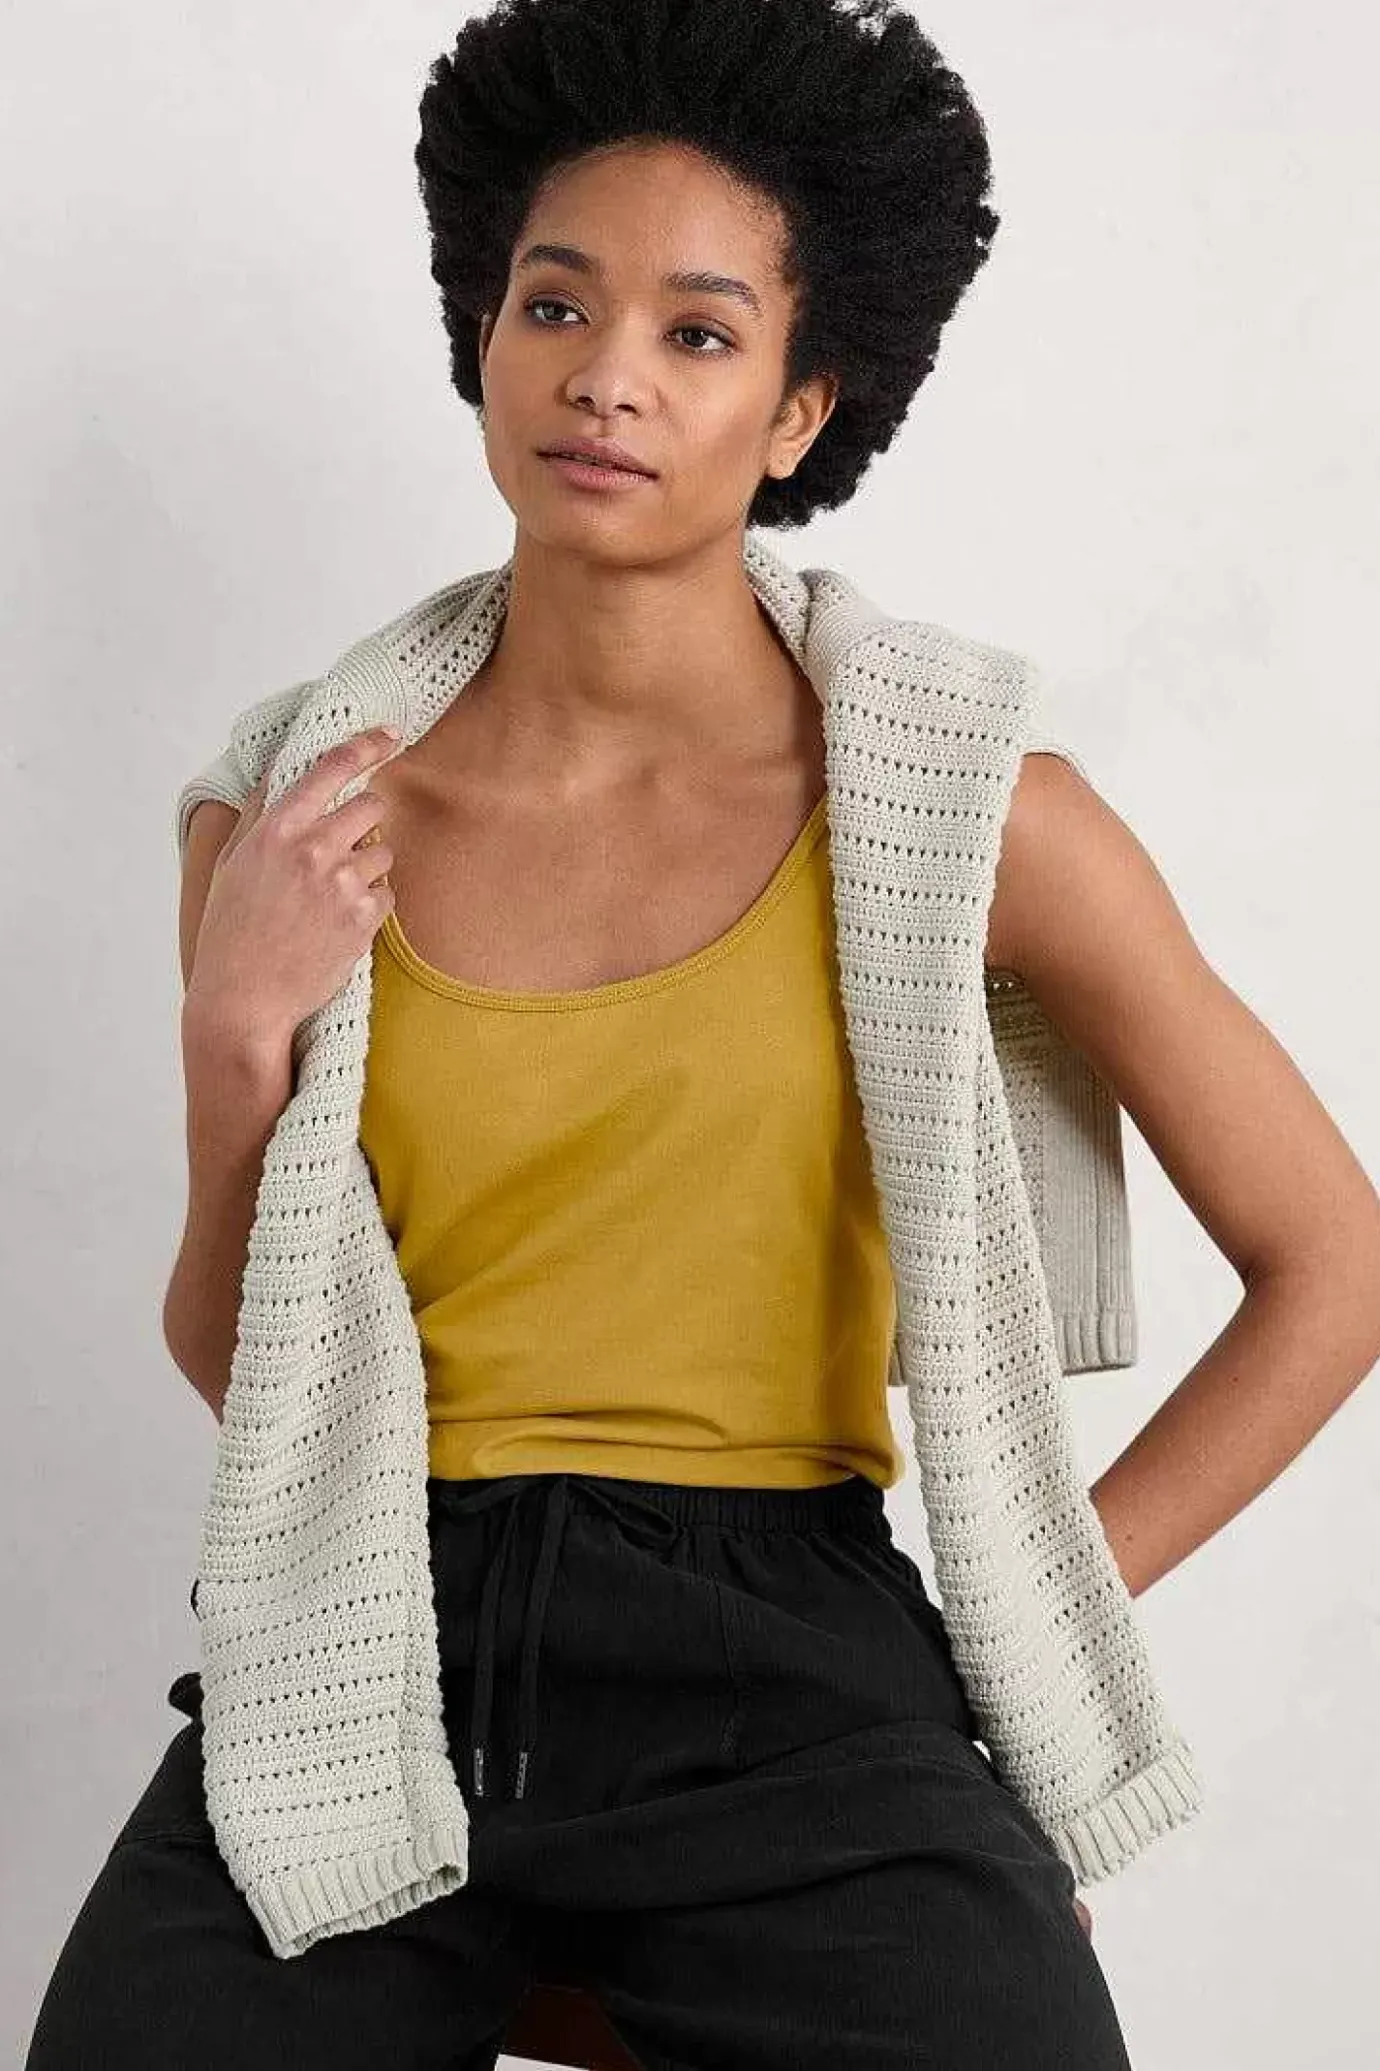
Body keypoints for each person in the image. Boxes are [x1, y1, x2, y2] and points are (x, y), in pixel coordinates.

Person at [26, 3, 1380, 2067]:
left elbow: (1334, 1260)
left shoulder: (968, 814)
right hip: (371, 1654)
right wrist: (235, 1039)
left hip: (799, 1681)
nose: (607, 377)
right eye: (556, 305)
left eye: (698, 332)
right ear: (486, 335)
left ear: (802, 408)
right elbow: (247, 1363)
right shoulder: (290, 818)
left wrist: (1020, 1626)